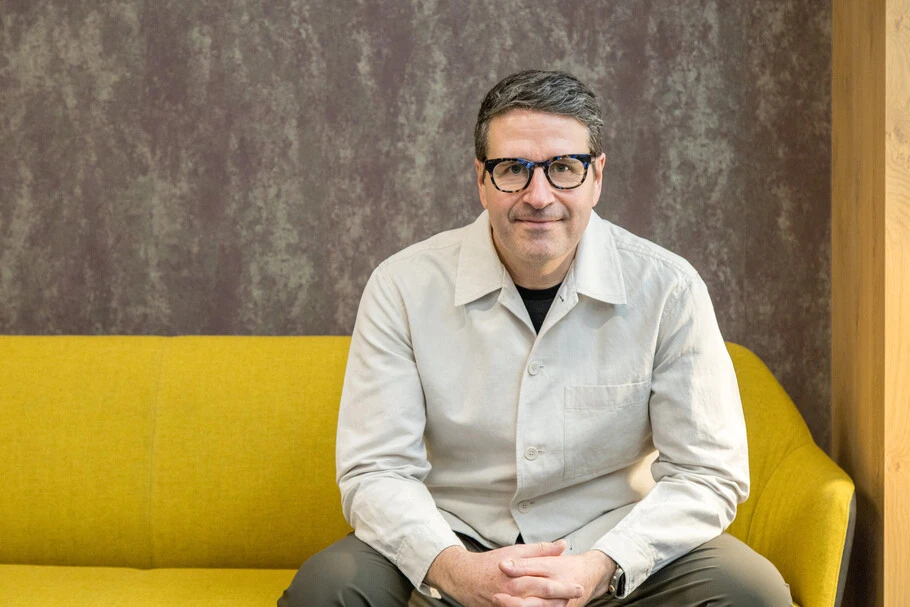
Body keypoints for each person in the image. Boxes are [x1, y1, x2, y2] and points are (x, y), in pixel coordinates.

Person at [280, 70, 791, 606]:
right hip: (454, 538)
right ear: (481, 179)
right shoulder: (402, 285)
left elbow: (706, 474)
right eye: (513, 170)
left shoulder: (668, 288)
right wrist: (456, 572)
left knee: (750, 592)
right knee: (326, 589)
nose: (538, 195)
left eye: (563, 168)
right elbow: (376, 470)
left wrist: (602, 567)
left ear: (596, 177)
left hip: (613, 546)